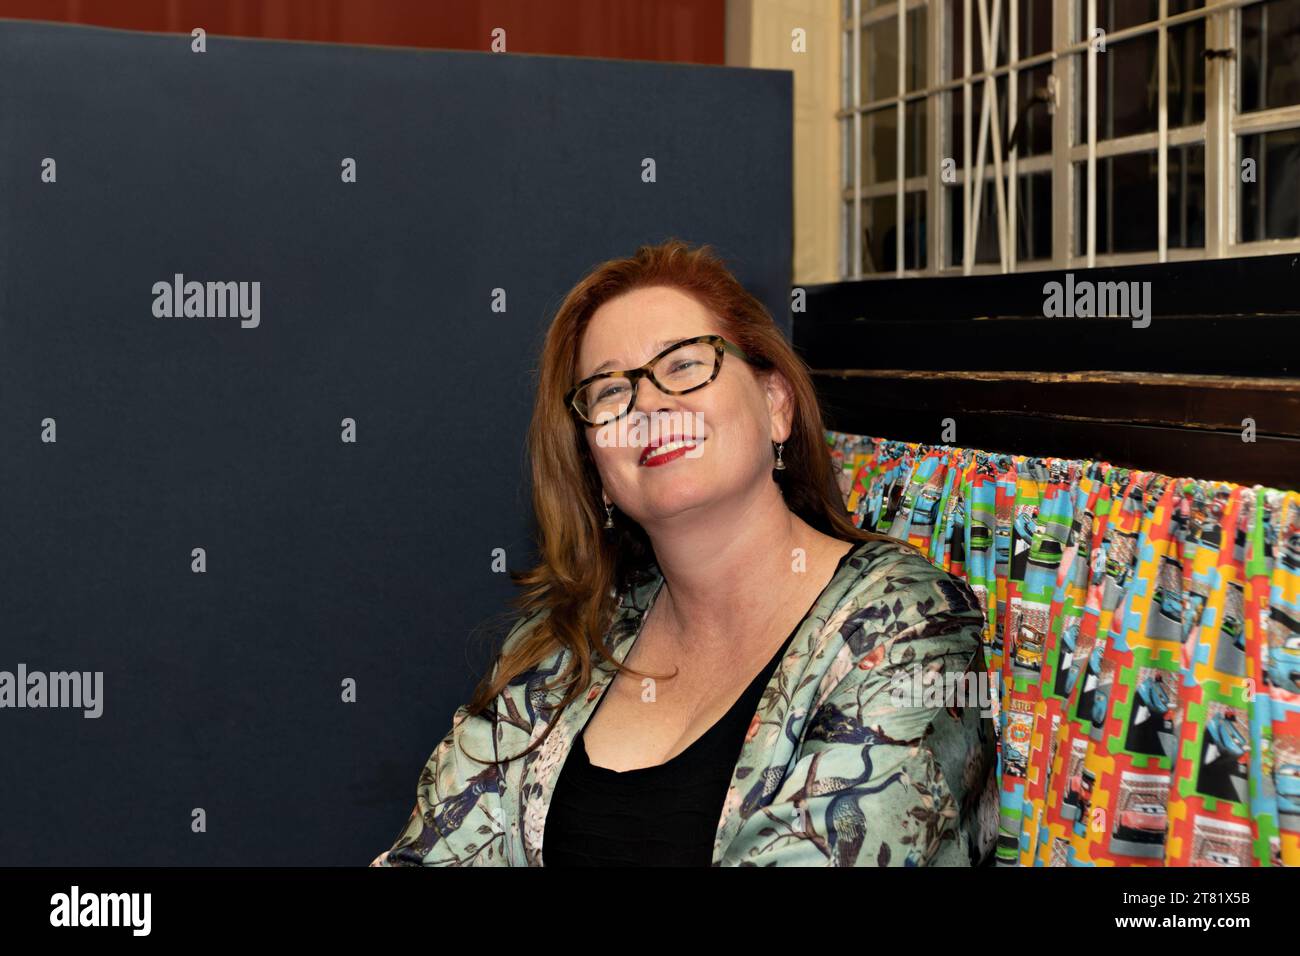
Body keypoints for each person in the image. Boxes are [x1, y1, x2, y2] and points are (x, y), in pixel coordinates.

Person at [370, 238, 997, 866]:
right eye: (610, 392)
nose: (648, 404)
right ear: (596, 467)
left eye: (684, 365)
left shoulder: (910, 628)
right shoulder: (560, 648)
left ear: (776, 405)